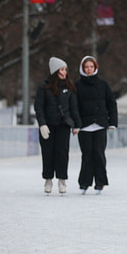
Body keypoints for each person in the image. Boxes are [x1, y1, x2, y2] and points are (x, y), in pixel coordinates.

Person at [34, 57, 81, 194]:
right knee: (48, 152)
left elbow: (74, 108)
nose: (65, 72)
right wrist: (42, 124)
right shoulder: (43, 88)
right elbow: (39, 107)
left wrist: (76, 124)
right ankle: (48, 179)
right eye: (61, 69)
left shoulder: (69, 88)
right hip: (48, 126)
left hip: (63, 125)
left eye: (65, 69)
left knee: (62, 152)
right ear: (55, 71)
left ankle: (62, 179)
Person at [75, 56, 118, 195]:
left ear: (95, 68)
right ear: (82, 68)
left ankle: (100, 182)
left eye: (91, 67)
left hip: (100, 125)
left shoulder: (103, 84)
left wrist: (113, 122)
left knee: (99, 154)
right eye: (86, 67)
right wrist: (75, 124)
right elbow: (74, 106)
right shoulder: (77, 85)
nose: (89, 69)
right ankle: (84, 182)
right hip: (84, 126)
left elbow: (111, 103)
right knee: (87, 154)